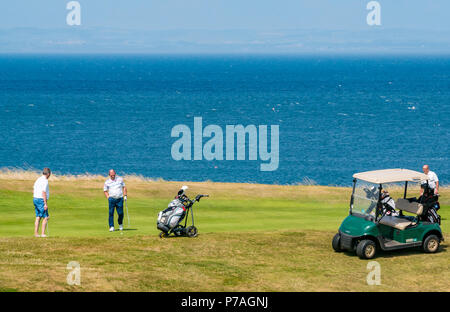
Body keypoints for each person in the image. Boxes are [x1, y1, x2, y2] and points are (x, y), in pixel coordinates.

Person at [33, 168, 51, 237]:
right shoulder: (45, 181)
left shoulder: (38, 179)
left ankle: (36, 234)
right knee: (46, 217)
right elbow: (43, 192)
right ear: (48, 174)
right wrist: (45, 203)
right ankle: (43, 234)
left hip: (35, 198)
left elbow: (34, 188)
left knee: (38, 216)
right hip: (41, 199)